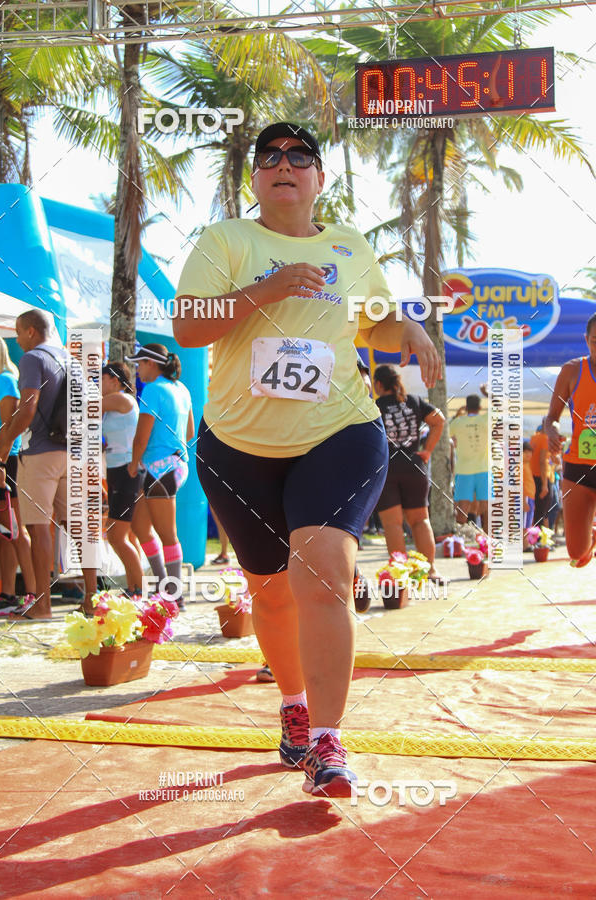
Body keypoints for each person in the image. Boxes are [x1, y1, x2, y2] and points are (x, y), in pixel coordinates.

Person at [173, 122, 440, 797]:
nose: (283, 164)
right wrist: (271, 287)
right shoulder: (226, 240)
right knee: (270, 592)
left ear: (320, 178)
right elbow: (188, 326)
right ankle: (293, 704)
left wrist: (404, 326)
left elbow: (374, 322)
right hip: (239, 447)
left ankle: (326, 740)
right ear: (255, 179)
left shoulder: (349, 245)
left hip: (339, 432)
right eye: (269, 157)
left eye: (299, 156)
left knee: (322, 573)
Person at [0, 310, 97, 619]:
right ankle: (92, 600)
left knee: (39, 527)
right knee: (79, 526)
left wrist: (3, 447)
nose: (17, 340)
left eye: (18, 332)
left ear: (30, 331)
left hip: (39, 453)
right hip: (74, 454)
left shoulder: (32, 359)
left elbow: (28, 407)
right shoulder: (73, 361)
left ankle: (42, 605)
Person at [126, 345, 194, 608]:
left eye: (139, 364)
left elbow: (141, 435)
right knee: (140, 527)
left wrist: (134, 463)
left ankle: (174, 596)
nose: (137, 370)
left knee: (167, 534)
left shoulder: (153, 390)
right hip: (174, 465)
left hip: (160, 468)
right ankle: (165, 587)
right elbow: (189, 432)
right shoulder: (181, 388)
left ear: (151, 364)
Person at [373, 364, 446, 583]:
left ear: (378, 384)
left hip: (387, 468)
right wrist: (427, 450)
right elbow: (439, 420)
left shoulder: (375, 407)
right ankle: (430, 570)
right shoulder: (414, 401)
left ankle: (401, 574)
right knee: (421, 520)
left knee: (393, 524)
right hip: (414, 466)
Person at [544, 312, 596, 567]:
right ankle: (590, 535)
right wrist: (552, 432)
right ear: (586, 340)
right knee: (577, 553)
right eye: (595, 341)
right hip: (578, 467)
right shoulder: (572, 370)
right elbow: (551, 417)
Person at [0, 336, 36, 614]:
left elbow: (9, 425)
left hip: (6, 460)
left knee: (15, 529)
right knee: (4, 533)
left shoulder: (5, 379)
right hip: (2, 459)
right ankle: (8, 593)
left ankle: (31, 592)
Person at [102, 361, 144, 596]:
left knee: (116, 536)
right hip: (117, 469)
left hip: (127, 471)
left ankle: (139, 590)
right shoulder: (114, 403)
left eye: (101, 380)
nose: (98, 385)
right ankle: (135, 588)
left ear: (114, 380)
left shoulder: (121, 399)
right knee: (125, 535)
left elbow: (85, 406)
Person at [450, 394, 489, 532]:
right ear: (480, 407)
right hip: (483, 469)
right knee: (486, 507)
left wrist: (457, 415)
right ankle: (488, 539)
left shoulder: (458, 422)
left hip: (463, 470)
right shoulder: (485, 419)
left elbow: (446, 430)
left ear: (466, 407)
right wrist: (488, 394)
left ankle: (460, 538)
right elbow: (499, 406)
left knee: (462, 508)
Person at [529, 421, 552, 526]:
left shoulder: (534, 438)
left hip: (533, 477)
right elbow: (542, 461)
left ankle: (535, 533)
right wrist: (545, 485)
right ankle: (538, 534)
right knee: (542, 512)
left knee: (536, 511)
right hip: (541, 478)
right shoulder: (545, 439)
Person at [522, 440, 536, 550]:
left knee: (527, 522)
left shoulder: (527, 465)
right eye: (525, 452)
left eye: (530, 452)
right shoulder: (520, 466)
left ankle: (526, 543)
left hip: (530, 497)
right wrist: (523, 501)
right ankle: (524, 545)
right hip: (525, 496)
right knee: (524, 523)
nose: (528, 454)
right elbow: (519, 484)